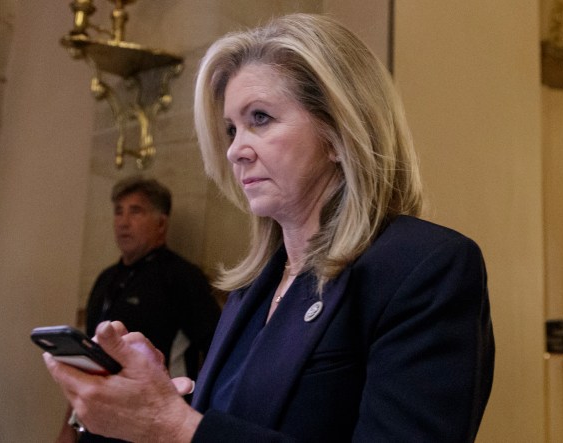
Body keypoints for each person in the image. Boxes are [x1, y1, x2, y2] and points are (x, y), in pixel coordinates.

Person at [44, 13, 495, 442]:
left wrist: (172, 425)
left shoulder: (423, 268)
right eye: (230, 130)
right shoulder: (253, 290)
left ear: (339, 132)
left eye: (259, 118)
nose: (236, 150)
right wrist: (160, 401)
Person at [55, 176, 221, 443]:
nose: (123, 221)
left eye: (136, 211)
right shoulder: (106, 279)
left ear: (161, 223)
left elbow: (216, 350)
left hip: (149, 427)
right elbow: (87, 357)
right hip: (97, 425)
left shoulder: (182, 277)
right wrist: (69, 427)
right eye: (118, 211)